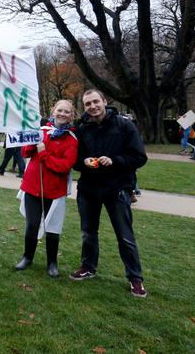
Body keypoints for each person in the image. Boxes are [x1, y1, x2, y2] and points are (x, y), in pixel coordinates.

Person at [70, 89, 148, 298]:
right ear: (84, 107)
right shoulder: (81, 129)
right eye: (88, 104)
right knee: (88, 233)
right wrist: (83, 162)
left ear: (104, 102)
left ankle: (135, 278)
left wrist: (115, 160)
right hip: (88, 189)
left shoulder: (124, 125)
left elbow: (139, 157)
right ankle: (88, 267)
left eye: (96, 101)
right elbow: (75, 161)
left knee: (125, 236)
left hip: (117, 189)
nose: (92, 106)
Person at [15, 100, 78, 278]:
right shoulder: (41, 131)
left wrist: (43, 153)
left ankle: (52, 263)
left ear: (71, 115)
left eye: (67, 112)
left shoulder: (72, 139)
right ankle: (27, 257)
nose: (63, 114)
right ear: (53, 111)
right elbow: (26, 153)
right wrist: (32, 141)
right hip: (33, 187)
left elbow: (63, 166)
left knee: (52, 227)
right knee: (32, 224)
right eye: (60, 110)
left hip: (55, 191)